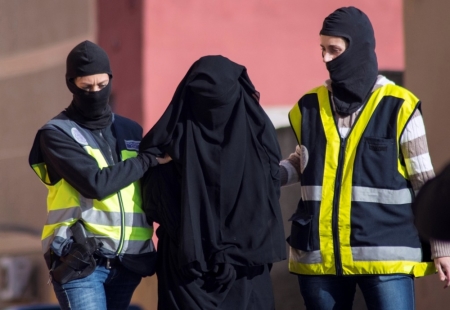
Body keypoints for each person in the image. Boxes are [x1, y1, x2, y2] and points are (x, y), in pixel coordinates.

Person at [279, 6, 450, 309]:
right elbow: (303, 161)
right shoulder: (308, 106)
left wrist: (442, 247)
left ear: (357, 49)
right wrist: (271, 173)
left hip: (387, 257)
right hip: (320, 258)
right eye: (322, 49)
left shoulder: (399, 106)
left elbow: (423, 179)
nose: (325, 59)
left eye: (334, 50)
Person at [139, 55, 286, 310]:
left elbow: (153, 204)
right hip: (247, 270)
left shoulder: (166, 147)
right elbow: (269, 192)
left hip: (185, 275)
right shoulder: (258, 139)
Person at [28, 40, 163, 310]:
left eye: (102, 85)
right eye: (86, 87)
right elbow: (96, 184)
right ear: (71, 84)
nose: (96, 93)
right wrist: (147, 159)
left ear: (110, 79)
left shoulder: (132, 131)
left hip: (128, 263)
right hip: (80, 262)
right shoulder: (56, 134)